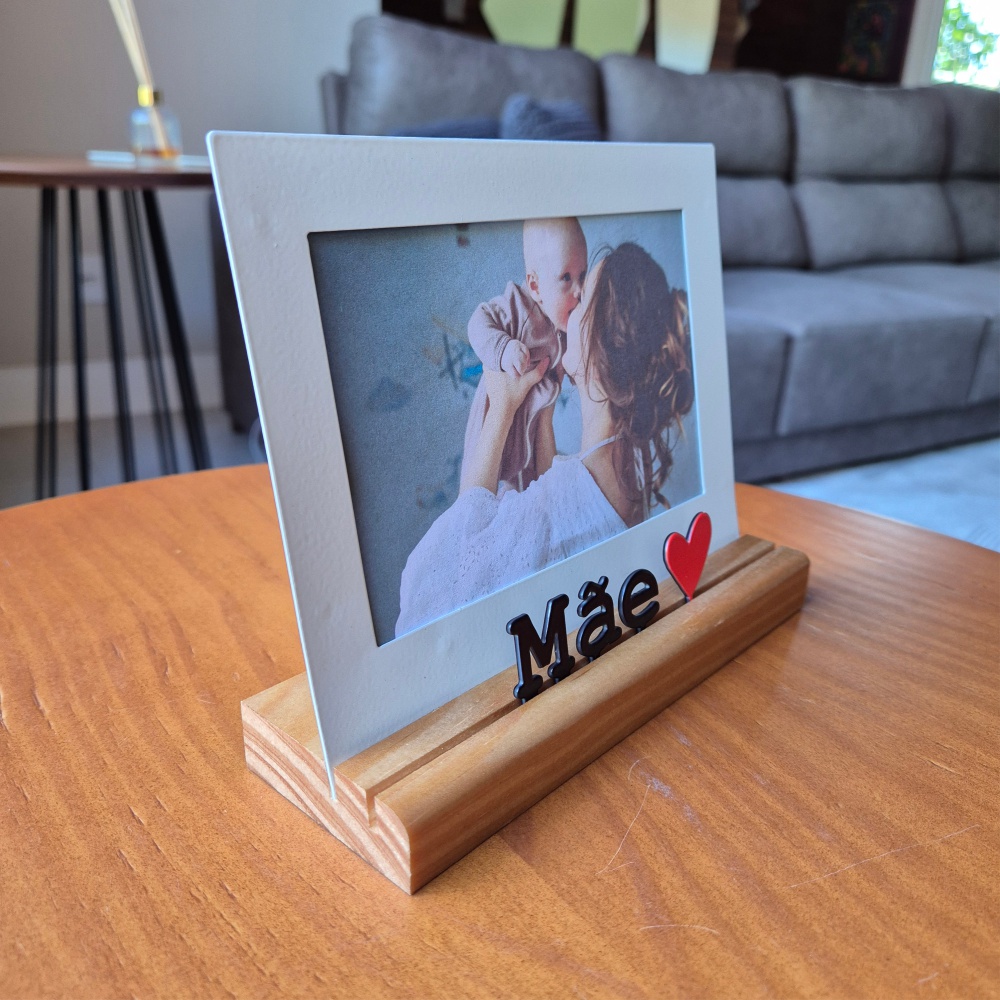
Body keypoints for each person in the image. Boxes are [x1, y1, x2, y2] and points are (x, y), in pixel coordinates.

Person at [397, 242, 694, 638]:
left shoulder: (563, 507)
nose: (570, 303)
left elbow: (440, 574)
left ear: (598, 339)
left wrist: (501, 408)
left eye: (582, 297)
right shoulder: (627, 467)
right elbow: (552, 502)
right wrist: (544, 413)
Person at [461, 217, 587, 494]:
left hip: (531, 430)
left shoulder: (562, 323)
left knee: (529, 491)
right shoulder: (517, 306)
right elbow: (478, 322)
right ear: (535, 286)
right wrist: (503, 349)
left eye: (582, 276)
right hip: (496, 420)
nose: (579, 291)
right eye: (566, 278)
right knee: (480, 493)